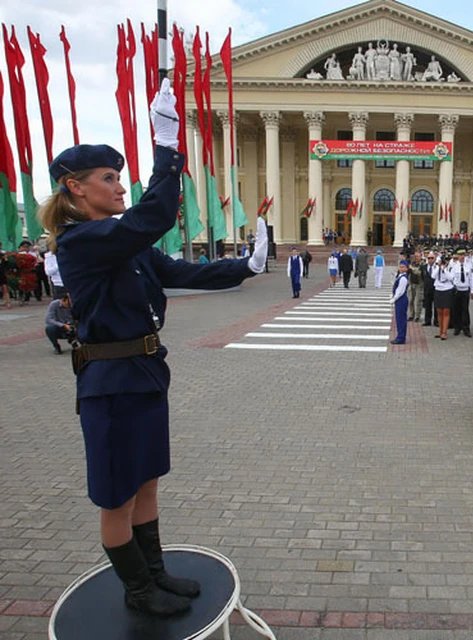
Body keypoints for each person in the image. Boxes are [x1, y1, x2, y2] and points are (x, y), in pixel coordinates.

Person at [38, 78, 269, 617]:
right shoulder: (83, 242)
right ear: (75, 187)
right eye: (110, 178)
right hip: (110, 384)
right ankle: (139, 591)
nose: (121, 187)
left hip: (143, 375)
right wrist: (167, 149)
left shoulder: (123, 242)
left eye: (122, 177)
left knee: (146, 485)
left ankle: (157, 574)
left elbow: (185, 270)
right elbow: (154, 218)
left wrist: (247, 267)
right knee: (116, 497)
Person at [433, 253, 454, 339]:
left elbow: (450, 278)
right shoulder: (437, 267)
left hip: (447, 290)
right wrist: (438, 267)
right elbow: (433, 276)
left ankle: (444, 332)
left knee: (446, 311)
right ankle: (440, 330)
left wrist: (445, 269)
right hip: (438, 290)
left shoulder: (451, 268)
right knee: (439, 311)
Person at [389, 260, 409, 345]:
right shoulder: (400, 276)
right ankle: (400, 336)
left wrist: (394, 298)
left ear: (407, 268)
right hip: (399, 299)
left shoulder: (403, 278)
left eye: (403, 267)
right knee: (399, 319)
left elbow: (400, 291)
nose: (401, 268)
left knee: (401, 319)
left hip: (401, 299)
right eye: (400, 266)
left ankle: (401, 338)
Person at [407, 252, 424, 322]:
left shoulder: (423, 264)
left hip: (419, 284)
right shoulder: (412, 263)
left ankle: (417, 316)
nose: (416, 258)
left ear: (420, 257)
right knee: (410, 300)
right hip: (412, 283)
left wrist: (412, 268)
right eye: (415, 256)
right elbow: (408, 272)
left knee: (418, 301)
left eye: (417, 256)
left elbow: (419, 272)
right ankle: (411, 315)